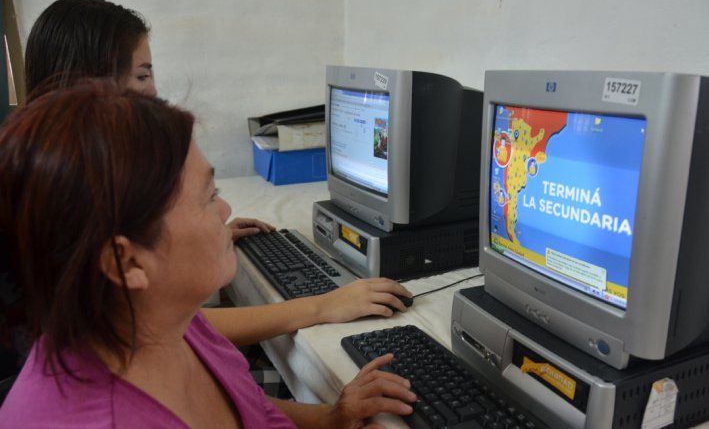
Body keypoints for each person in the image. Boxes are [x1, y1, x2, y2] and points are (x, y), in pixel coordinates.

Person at [0, 80, 415, 428]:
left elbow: (246, 409)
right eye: (208, 197)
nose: (226, 211)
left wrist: (331, 418)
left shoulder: (157, 322)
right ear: (127, 263)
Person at [21, 0, 413, 351]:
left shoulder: (54, 168)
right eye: (142, 76)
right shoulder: (80, 196)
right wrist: (319, 307)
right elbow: (168, 328)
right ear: (93, 85)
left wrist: (190, 238)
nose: (154, 92)